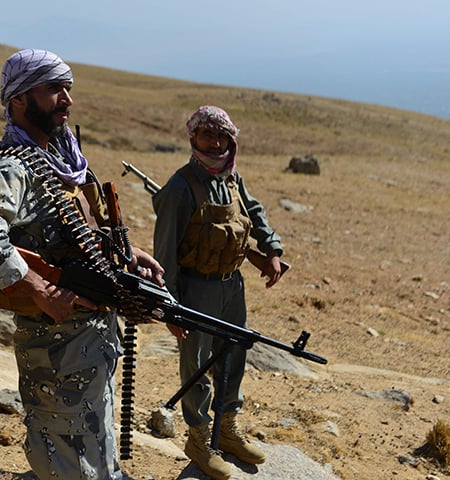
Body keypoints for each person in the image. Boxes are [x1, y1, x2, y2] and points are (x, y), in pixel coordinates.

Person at [0, 48, 163, 480]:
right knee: (65, 461)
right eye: (53, 89)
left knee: (93, 453)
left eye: (68, 88)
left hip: (89, 337)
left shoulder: (64, 162)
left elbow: (74, 239)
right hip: (56, 344)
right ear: (18, 100)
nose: (66, 99)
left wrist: (125, 253)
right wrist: (37, 289)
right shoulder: (15, 167)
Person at [152, 106, 283, 480]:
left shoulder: (230, 177)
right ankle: (198, 438)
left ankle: (226, 428)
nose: (215, 142)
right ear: (193, 138)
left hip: (232, 286)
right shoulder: (180, 187)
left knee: (233, 356)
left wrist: (271, 249)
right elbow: (164, 254)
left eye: (222, 136)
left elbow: (253, 212)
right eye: (207, 135)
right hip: (195, 289)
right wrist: (170, 307)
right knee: (196, 366)